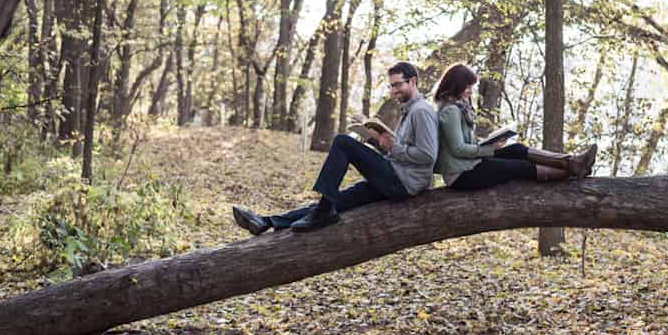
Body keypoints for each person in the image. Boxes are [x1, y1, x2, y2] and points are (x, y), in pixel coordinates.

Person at [232, 61, 438, 234]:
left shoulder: (421, 111)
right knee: (333, 201)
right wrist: (377, 141)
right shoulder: (408, 112)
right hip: (396, 176)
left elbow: (428, 156)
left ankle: (322, 213)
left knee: (343, 142)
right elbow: (401, 151)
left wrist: (394, 147)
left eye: (398, 85)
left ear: (413, 81)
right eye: (391, 86)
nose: (393, 91)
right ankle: (267, 222)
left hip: (403, 183)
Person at [434, 63, 597, 190]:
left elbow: (464, 144)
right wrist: (489, 149)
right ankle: (570, 172)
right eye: (467, 86)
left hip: (470, 164)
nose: (470, 91)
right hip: (462, 175)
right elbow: (458, 149)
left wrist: (489, 143)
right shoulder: (451, 111)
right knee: (519, 167)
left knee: (517, 149)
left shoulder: (459, 107)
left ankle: (572, 162)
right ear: (456, 85)